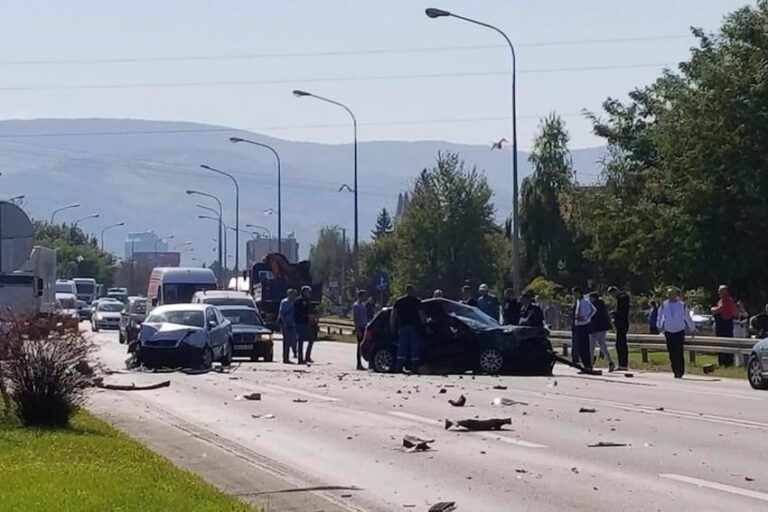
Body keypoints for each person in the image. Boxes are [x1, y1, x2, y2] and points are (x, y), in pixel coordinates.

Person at [657, 287, 695, 378]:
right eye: (669, 294)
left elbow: (687, 317)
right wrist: (659, 326)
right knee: (671, 352)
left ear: (676, 295)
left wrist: (692, 328)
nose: (670, 296)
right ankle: (675, 370)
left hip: (679, 330)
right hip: (669, 331)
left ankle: (680, 370)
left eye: (672, 294)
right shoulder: (664, 305)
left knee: (679, 351)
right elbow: (660, 317)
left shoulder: (682, 305)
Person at [389, 284, 426, 373]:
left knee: (402, 347)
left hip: (402, 327)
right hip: (413, 327)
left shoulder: (399, 301)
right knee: (414, 347)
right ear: (412, 291)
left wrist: (392, 326)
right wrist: (425, 324)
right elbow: (421, 315)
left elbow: (393, 315)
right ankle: (414, 368)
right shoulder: (417, 302)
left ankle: (399, 367)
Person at [588, 292, 615, 372]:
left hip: (595, 328)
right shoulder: (602, 305)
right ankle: (610, 361)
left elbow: (592, 317)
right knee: (602, 345)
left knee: (591, 346)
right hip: (603, 328)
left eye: (590, 298)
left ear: (594, 298)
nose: (590, 300)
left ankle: (590, 363)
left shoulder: (593, 306)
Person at [571, 287, 596, 372]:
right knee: (580, 346)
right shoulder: (578, 301)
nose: (574, 295)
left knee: (584, 346)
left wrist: (586, 318)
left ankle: (588, 365)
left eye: (575, 293)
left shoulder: (585, 301)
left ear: (579, 293)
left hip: (584, 325)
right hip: (578, 325)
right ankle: (585, 365)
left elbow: (593, 310)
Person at [711, 285, 737, 366]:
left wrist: (713, 309)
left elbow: (718, 310)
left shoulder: (727, 301)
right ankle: (722, 362)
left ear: (725, 292)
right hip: (721, 324)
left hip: (725, 325)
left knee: (726, 344)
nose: (719, 293)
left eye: (720, 291)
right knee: (720, 344)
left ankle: (727, 363)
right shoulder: (720, 300)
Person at [608, 286, 630, 371]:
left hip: (622, 323)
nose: (613, 296)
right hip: (620, 323)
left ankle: (623, 364)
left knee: (621, 344)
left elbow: (622, 311)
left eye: (612, 294)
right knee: (619, 344)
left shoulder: (623, 298)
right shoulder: (620, 298)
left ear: (615, 291)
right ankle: (622, 363)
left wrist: (614, 313)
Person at [294, 285, 317, 364]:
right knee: (300, 341)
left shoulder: (307, 301)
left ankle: (307, 356)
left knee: (311, 340)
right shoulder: (299, 301)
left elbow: (309, 311)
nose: (309, 294)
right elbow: (297, 312)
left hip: (306, 323)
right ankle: (300, 358)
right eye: (307, 292)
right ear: (303, 292)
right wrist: (306, 316)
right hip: (300, 323)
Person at [277, 289, 297, 364]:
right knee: (286, 341)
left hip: (294, 324)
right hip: (286, 324)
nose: (293, 296)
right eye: (292, 294)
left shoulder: (295, 302)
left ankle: (295, 353)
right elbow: (282, 314)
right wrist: (284, 323)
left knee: (294, 340)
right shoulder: (285, 302)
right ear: (288, 294)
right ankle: (285, 358)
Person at [352, 290, 369, 370]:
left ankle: (363, 363)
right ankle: (358, 364)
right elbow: (355, 318)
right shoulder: (356, 306)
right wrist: (357, 329)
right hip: (360, 327)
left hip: (364, 327)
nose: (365, 297)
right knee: (359, 346)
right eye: (364, 296)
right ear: (360, 296)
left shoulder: (363, 305)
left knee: (364, 345)